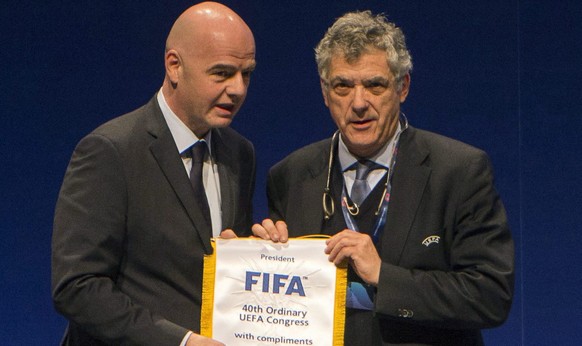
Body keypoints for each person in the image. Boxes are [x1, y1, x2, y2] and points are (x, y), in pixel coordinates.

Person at [252, 10, 514, 345]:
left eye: (374, 85)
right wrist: (263, 260)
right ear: (324, 92)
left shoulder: (459, 171)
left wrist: (383, 277)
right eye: (343, 86)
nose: (358, 103)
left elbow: (491, 295)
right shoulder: (290, 175)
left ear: (402, 87)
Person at [51, 2, 256, 345]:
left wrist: (263, 255)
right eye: (221, 73)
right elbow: (77, 286)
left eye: (246, 73)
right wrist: (181, 341)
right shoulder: (110, 151)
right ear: (174, 66)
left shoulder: (240, 153)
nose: (237, 89)